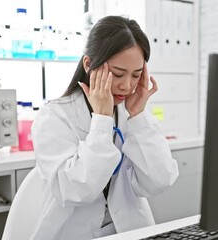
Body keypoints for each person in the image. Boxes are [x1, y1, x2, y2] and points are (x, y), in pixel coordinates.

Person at [29, 16, 179, 239]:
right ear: (89, 65)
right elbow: (77, 190)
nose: (127, 86)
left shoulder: (131, 114)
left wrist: (138, 117)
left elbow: (159, 182)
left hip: (128, 231)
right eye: (118, 74)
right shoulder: (54, 116)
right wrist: (102, 120)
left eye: (136, 75)